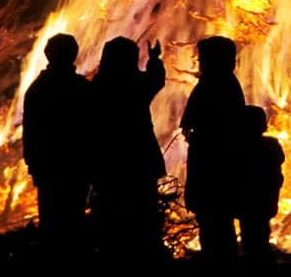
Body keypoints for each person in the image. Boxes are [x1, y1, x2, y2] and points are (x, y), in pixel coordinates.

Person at [90, 36, 168, 268]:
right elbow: (156, 80)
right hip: (139, 159)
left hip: (107, 161)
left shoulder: (96, 88)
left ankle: (111, 255)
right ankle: (144, 256)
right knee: (144, 210)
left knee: (108, 210)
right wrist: (154, 59)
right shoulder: (136, 85)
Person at [22, 33, 94, 265]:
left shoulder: (37, 89)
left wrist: (33, 164)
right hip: (75, 167)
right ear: (73, 55)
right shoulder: (81, 88)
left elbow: (31, 132)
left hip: (49, 168)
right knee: (74, 221)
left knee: (51, 223)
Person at [180, 35, 245, 269]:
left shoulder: (217, 84)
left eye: (204, 57)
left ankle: (219, 264)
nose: (200, 61)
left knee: (215, 215)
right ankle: (219, 260)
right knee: (215, 216)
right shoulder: (220, 82)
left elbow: (202, 119)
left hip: (213, 161)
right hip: (210, 157)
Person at [236, 105, 285, 271]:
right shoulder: (270, 145)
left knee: (251, 229)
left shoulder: (240, 148)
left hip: (251, 200)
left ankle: (254, 258)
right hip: (264, 199)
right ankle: (260, 257)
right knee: (260, 228)